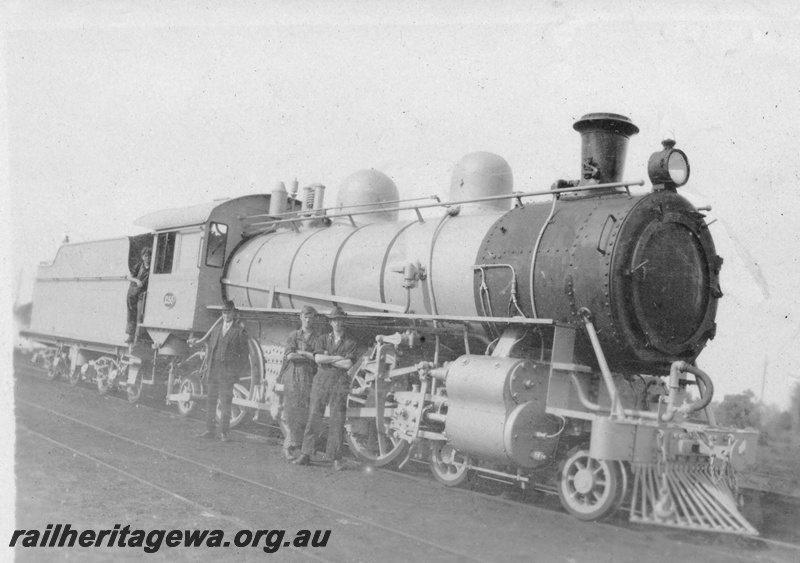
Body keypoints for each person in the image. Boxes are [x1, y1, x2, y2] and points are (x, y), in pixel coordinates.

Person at [293, 306, 358, 471]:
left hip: (339, 382)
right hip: (321, 380)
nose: (337, 323)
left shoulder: (351, 341)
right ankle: (306, 454)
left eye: (340, 320)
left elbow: (348, 363)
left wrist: (328, 359)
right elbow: (318, 358)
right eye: (334, 320)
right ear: (330, 322)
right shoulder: (322, 339)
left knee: (337, 419)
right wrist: (338, 358)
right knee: (314, 415)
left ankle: (335, 458)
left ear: (344, 322)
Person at [188, 300, 250, 442]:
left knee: (226, 402)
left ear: (233, 313)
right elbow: (210, 351)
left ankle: (224, 433)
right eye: (224, 312)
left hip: (227, 373)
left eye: (228, 312)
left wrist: (236, 372)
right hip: (214, 370)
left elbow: (244, 356)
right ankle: (210, 430)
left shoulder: (239, 332)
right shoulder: (216, 330)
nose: (226, 315)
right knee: (211, 400)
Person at [280, 306, 320, 461]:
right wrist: (309, 356)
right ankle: (288, 447)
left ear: (314, 319)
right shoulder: (294, 335)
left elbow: (319, 357)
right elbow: (290, 356)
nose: (308, 320)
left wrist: (301, 353)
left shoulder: (318, 338)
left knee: (307, 413)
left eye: (311, 317)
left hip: (310, 377)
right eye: (305, 317)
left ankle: (303, 450)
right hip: (294, 377)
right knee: (292, 412)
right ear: (301, 318)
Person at [125, 247, 151, 343]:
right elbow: (129, 277)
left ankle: (137, 338)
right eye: (146, 256)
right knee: (131, 314)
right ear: (142, 257)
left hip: (142, 294)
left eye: (149, 256)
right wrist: (137, 280)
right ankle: (130, 336)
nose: (148, 258)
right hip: (133, 292)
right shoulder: (139, 266)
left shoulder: (152, 268)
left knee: (140, 316)